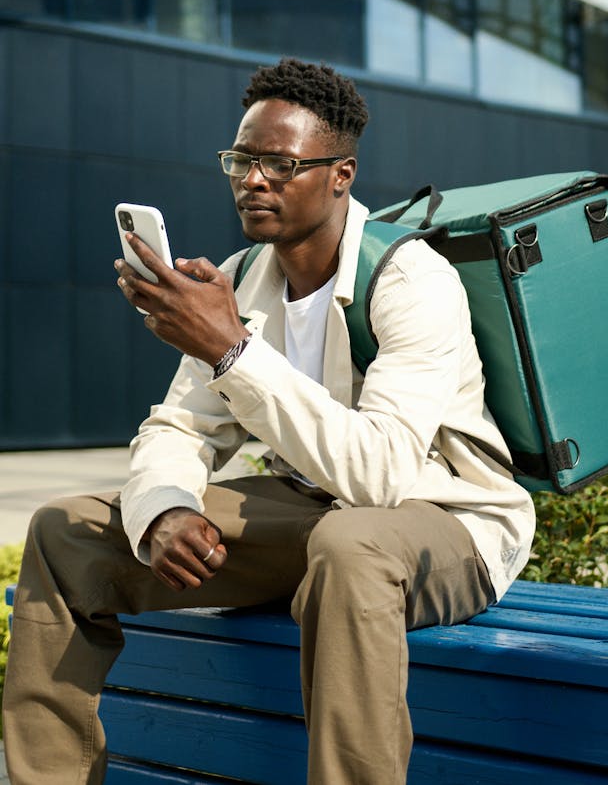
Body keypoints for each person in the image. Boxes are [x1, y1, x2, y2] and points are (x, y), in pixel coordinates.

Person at [3, 57, 535, 785]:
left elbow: (379, 474)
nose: (254, 180)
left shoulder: (413, 280)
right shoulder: (245, 274)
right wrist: (163, 510)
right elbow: (180, 428)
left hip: (445, 517)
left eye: (280, 164)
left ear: (340, 174)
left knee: (351, 546)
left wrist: (230, 348)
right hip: (313, 517)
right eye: (242, 160)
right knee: (66, 533)